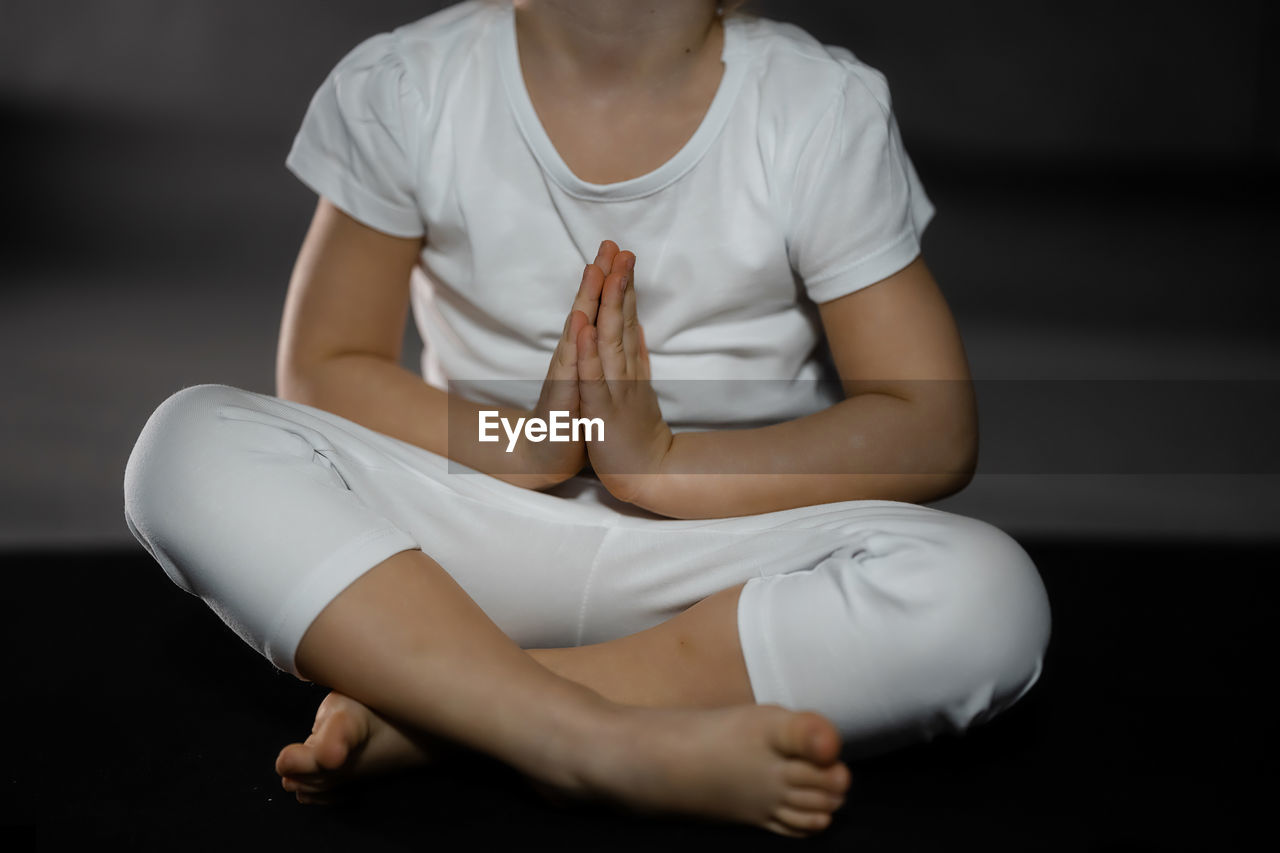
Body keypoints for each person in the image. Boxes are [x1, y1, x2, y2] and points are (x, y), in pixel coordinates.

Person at [123, 0, 1051, 838]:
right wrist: (528, 448)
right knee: (188, 441)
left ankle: (449, 713)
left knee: (986, 593)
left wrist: (662, 465)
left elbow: (931, 427)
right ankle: (586, 741)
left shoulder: (814, 105)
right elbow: (325, 369)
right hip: (473, 547)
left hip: (724, 556)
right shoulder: (406, 84)